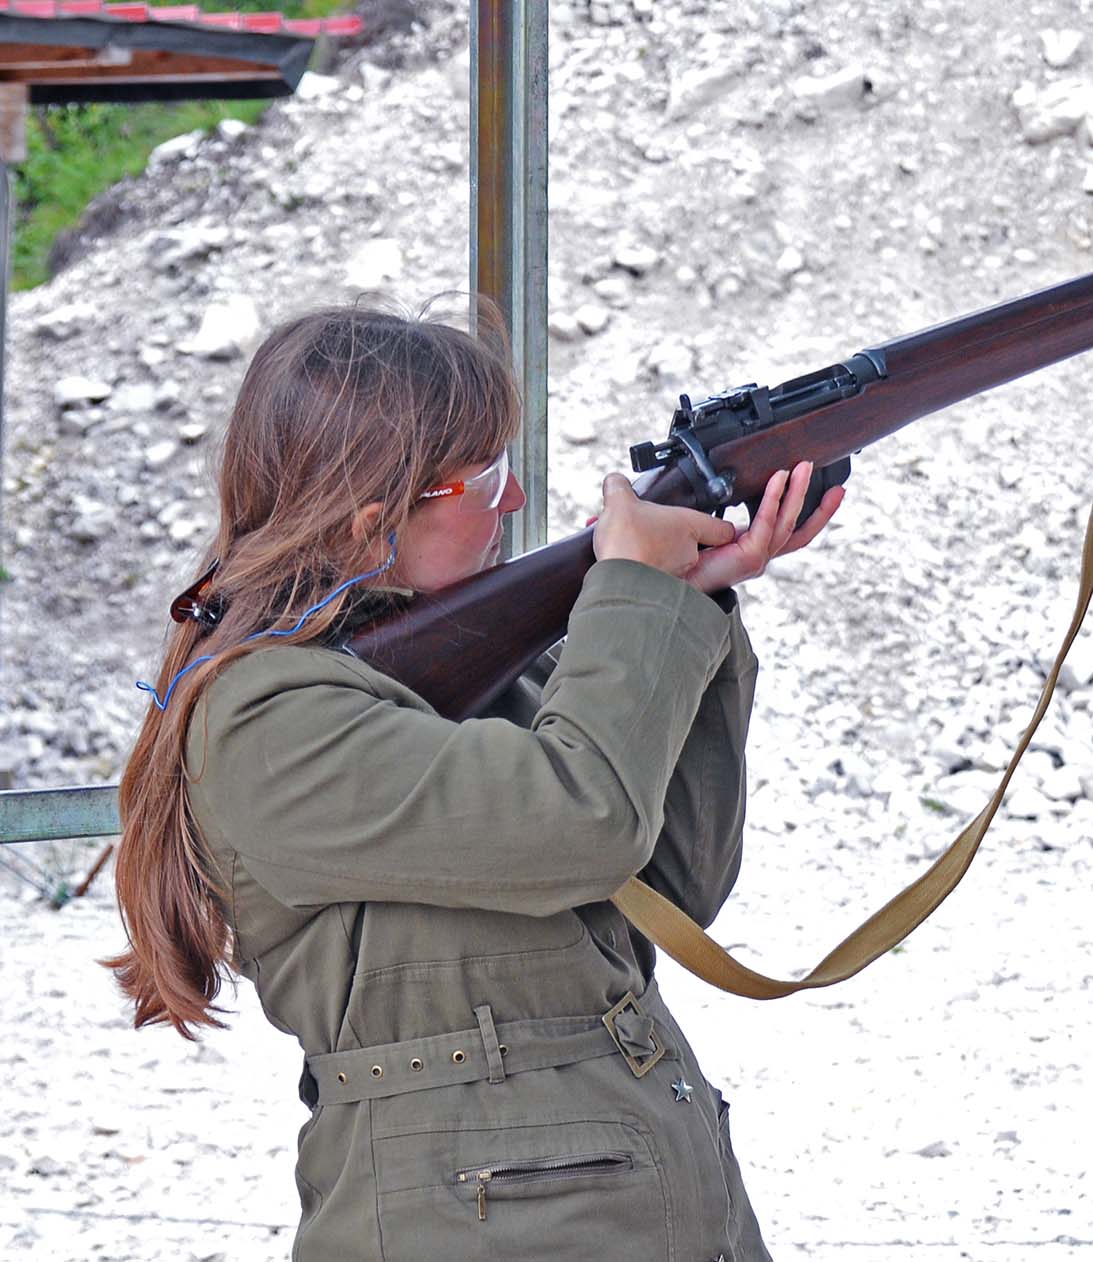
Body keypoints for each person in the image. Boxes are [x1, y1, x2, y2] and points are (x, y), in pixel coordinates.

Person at [104, 303, 841, 1259]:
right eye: (484, 475)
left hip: (627, 1194)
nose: (514, 495)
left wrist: (687, 603)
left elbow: (669, 882)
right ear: (374, 516)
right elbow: (585, 823)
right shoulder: (266, 719)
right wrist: (632, 599)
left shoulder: (471, 670)